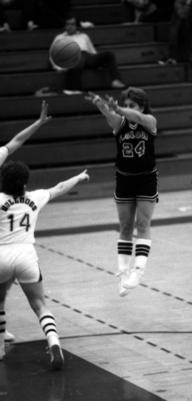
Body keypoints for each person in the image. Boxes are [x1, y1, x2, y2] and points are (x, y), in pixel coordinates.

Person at [0, 102, 90, 369]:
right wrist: (80, 176)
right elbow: (59, 187)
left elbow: (15, 141)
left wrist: (38, 124)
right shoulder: (35, 197)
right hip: (25, 254)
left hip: (1, 251)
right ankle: (53, 343)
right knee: (39, 303)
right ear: (24, 183)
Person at [85, 87, 158, 297]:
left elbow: (133, 115)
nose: (127, 109)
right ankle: (123, 274)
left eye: (131, 105)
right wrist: (101, 104)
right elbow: (110, 115)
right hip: (124, 179)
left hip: (146, 178)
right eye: (125, 104)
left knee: (143, 224)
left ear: (141, 107)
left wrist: (119, 108)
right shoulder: (120, 123)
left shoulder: (150, 121)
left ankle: (138, 270)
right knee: (125, 227)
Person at [49, 16, 125, 94]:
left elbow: (92, 51)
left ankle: (116, 80)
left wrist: (98, 62)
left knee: (109, 54)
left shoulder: (84, 36)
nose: (70, 27)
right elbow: (53, 54)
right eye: (68, 24)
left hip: (87, 58)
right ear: (65, 26)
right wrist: (57, 67)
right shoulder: (60, 37)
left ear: (76, 26)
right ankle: (73, 89)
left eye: (72, 24)